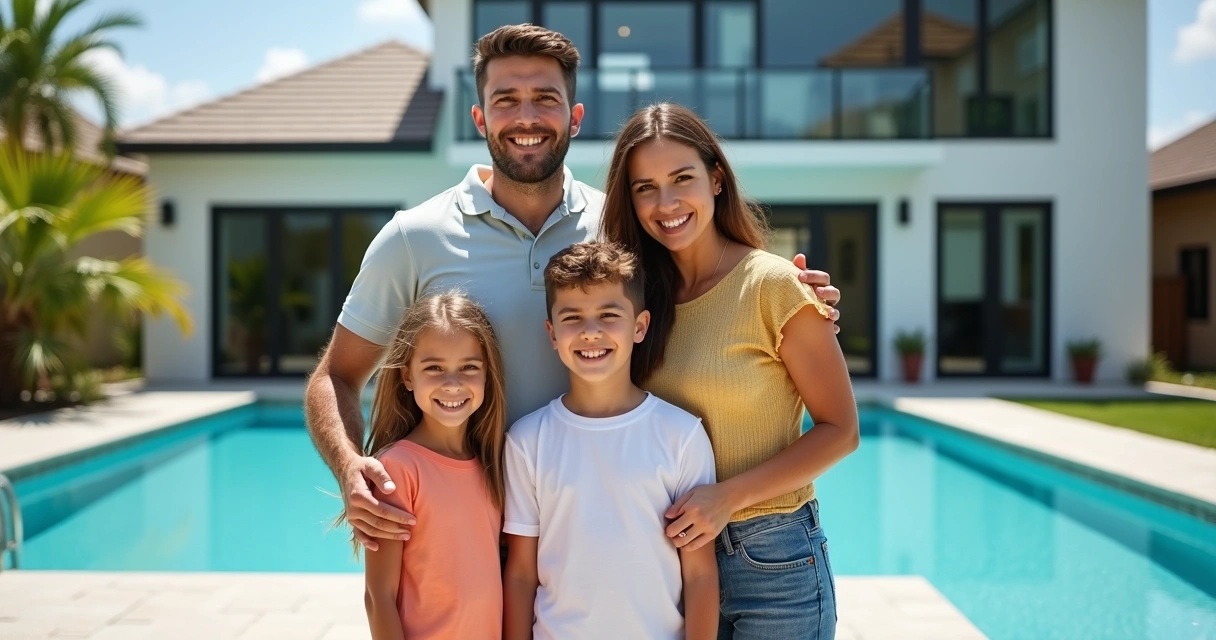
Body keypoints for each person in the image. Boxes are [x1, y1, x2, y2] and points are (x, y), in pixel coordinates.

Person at [305, 24, 842, 551]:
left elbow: (709, 288)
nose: (527, 117)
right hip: (455, 535)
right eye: (506, 100)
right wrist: (351, 468)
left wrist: (795, 298)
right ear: (480, 118)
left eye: (546, 98)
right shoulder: (413, 237)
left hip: (594, 537)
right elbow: (336, 376)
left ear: (575, 117)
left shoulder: (623, 228)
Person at [600, 102, 861, 639]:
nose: (666, 203)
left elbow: (841, 431)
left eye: (682, 179)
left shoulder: (773, 286)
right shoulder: (636, 300)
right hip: (666, 562)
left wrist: (727, 497)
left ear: (716, 179)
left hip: (773, 562)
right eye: (646, 188)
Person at [502, 242, 718, 640]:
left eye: (608, 315)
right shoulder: (527, 441)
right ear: (552, 334)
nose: (590, 332)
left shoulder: (682, 435)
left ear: (640, 326)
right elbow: (520, 574)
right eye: (572, 318)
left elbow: (700, 575)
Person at [340, 292, 508, 640]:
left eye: (469, 367)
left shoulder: (492, 465)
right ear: (407, 377)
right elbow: (378, 597)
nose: (452, 384)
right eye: (434, 368)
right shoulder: (397, 471)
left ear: (487, 375)